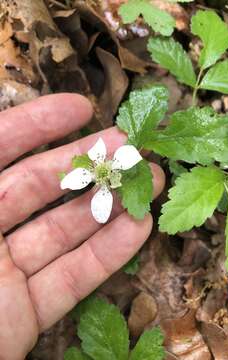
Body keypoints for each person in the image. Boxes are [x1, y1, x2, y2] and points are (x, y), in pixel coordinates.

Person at [0, 93, 165, 360]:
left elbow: (124, 156)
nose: (101, 172)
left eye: (103, 171)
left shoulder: (117, 161)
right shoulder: (93, 175)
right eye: (100, 171)